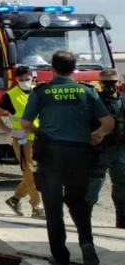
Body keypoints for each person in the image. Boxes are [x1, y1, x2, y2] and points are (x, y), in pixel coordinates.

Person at [21, 50, 114, 265]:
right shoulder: (87, 91)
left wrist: (38, 132)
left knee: (53, 207)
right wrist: (97, 135)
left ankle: (61, 257)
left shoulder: (42, 92)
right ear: (74, 70)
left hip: (51, 154)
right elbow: (108, 122)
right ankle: (86, 241)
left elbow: (26, 124)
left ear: (52, 69)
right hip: (79, 154)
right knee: (78, 202)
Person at [0, 65, 45, 218]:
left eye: (27, 79)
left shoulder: (38, 91)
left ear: (32, 77)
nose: (25, 82)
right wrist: (9, 131)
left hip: (40, 138)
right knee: (30, 172)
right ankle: (37, 206)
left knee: (37, 173)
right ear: (16, 80)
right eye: (22, 80)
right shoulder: (10, 95)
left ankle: (15, 199)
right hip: (22, 139)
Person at [87, 68, 125, 229]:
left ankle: (122, 223)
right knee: (92, 190)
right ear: (100, 83)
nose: (110, 86)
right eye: (106, 83)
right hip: (98, 151)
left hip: (120, 151)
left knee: (122, 190)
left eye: (112, 82)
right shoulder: (94, 101)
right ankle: (84, 222)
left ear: (118, 83)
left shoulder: (123, 100)